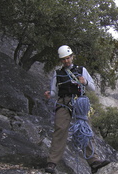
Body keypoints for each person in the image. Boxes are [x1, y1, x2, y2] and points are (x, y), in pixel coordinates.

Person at [44, 45, 110, 173]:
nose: (66, 61)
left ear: (72, 57)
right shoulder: (57, 73)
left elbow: (92, 87)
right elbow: (54, 91)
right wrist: (49, 94)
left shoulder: (82, 70)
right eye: (63, 59)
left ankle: (94, 161)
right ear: (61, 60)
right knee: (60, 130)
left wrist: (84, 82)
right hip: (63, 102)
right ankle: (52, 162)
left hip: (79, 102)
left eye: (68, 58)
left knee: (85, 130)